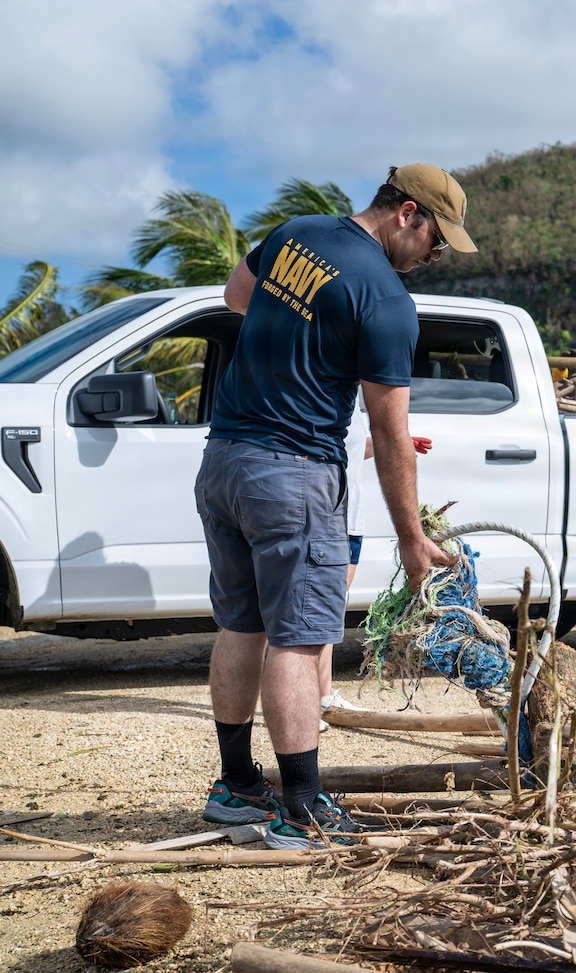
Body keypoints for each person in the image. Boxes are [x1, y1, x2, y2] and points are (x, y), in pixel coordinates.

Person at [197, 163, 474, 850]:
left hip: (224, 457)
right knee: (296, 637)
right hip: (292, 473)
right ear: (408, 213)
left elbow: (238, 295)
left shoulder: (297, 232)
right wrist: (411, 537)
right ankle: (300, 811)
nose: (436, 256)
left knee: (242, 624)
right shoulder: (384, 298)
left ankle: (235, 786)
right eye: (437, 239)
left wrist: (298, 335)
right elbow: (390, 432)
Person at [316, 411, 432, 732]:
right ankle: (308, 700)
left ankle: (322, 696)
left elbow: (353, 450)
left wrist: (392, 445)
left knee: (330, 608)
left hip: (351, 517)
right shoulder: (327, 392)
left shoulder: (354, 399)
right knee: (319, 609)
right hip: (328, 514)